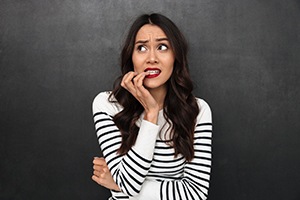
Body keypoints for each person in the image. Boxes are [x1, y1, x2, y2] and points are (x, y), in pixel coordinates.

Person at [91, 13, 212, 200]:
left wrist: (117, 184)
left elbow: (196, 193)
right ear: (131, 56)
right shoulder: (107, 105)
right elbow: (128, 183)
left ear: (175, 56)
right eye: (141, 48)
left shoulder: (198, 110)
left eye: (162, 47)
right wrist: (151, 114)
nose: (152, 58)